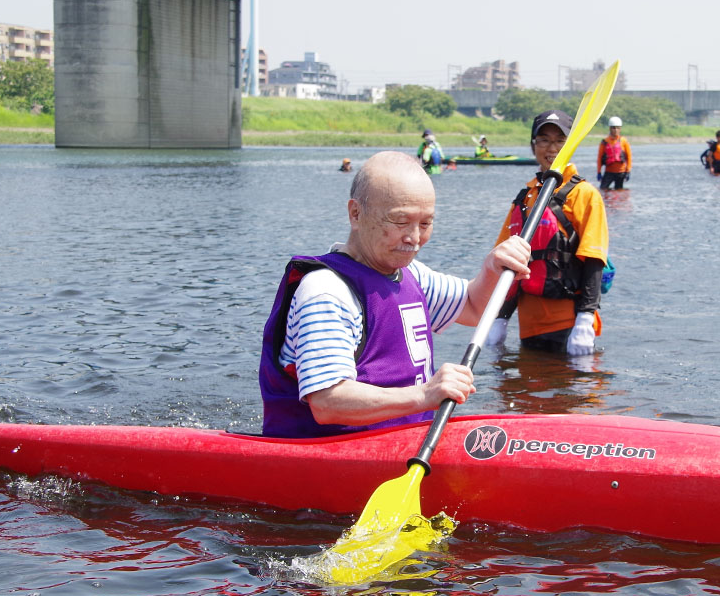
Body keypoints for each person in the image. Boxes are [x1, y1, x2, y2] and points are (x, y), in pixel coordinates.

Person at [259, 151, 531, 438]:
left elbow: (474, 307)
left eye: (425, 223)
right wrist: (424, 395)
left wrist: (491, 269)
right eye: (400, 222)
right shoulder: (326, 291)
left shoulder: (412, 274)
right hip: (329, 457)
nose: (414, 238)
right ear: (356, 214)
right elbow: (328, 403)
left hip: (407, 448)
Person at [488, 109, 609, 356]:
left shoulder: (585, 195)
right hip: (529, 327)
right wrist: (500, 318)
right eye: (543, 140)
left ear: (571, 145)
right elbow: (508, 266)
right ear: (533, 146)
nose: (551, 148)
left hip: (569, 324)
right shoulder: (524, 198)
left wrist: (585, 319)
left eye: (559, 141)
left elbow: (594, 261)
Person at [596, 116, 631, 190]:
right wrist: (599, 172)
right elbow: (599, 158)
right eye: (613, 128)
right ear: (610, 128)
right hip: (609, 172)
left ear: (620, 129)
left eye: (618, 128)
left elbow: (629, 157)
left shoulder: (624, 141)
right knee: (603, 189)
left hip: (621, 172)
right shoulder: (604, 142)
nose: (615, 130)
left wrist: (628, 171)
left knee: (619, 191)